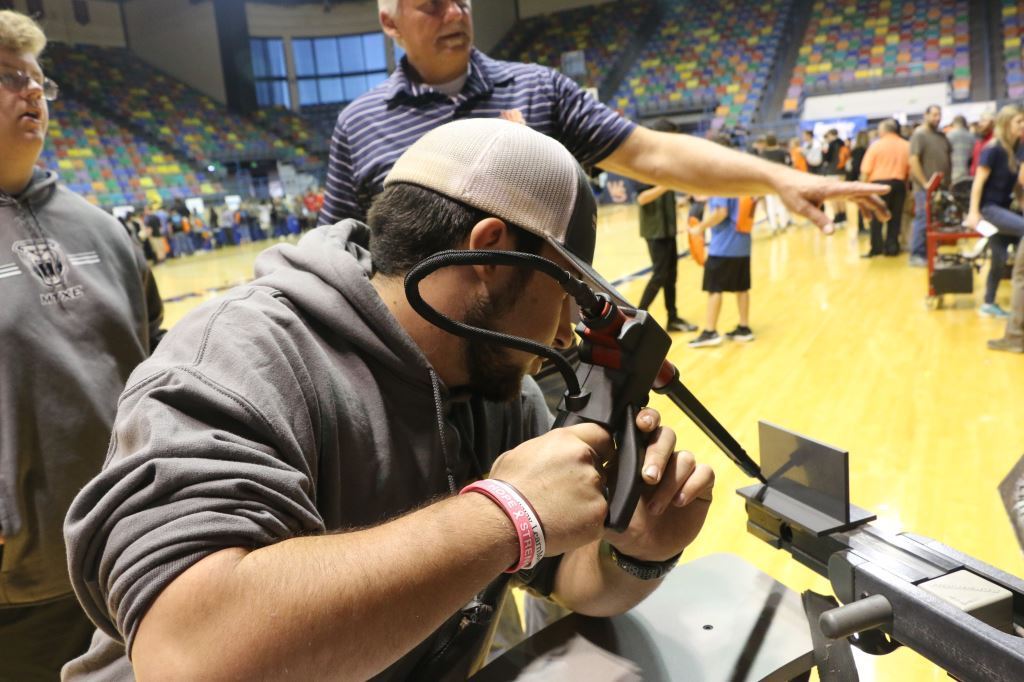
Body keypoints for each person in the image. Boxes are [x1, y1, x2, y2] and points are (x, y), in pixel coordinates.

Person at [62, 119, 716, 681]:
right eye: (565, 291)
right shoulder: (239, 356)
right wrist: (504, 517)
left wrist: (639, 551)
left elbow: (565, 578)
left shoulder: (499, 394)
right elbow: (188, 656)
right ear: (490, 252)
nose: (567, 329)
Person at [319, 0, 890, 236]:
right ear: (390, 24)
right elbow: (338, 248)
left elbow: (651, 153)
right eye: (431, 4)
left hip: (537, 363)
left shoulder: (538, 88)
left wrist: (778, 177)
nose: (455, 13)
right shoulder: (359, 123)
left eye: (461, 0)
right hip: (417, 381)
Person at [0, 10, 164, 679]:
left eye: (39, 80)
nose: (33, 92)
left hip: (129, 551)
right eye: (9, 78)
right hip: (21, 586)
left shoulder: (103, 228)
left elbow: (157, 364)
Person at [688, 138, 755, 348]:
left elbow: (721, 212)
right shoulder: (740, 174)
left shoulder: (719, 177)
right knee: (741, 288)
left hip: (724, 246)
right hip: (742, 243)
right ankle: (744, 328)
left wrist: (700, 228)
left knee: (714, 289)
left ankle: (710, 331)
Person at [635, 119, 696, 333]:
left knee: (671, 277)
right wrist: (668, 184)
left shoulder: (667, 163)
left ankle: (673, 318)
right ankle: (637, 317)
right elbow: (642, 198)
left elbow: (664, 195)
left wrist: (681, 201)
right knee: (660, 275)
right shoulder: (643, 164)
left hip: (668, 228)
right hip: (655, 230)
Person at [964, 104, 1024, 319]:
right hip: (989, 210)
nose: (1023, 125)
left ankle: (988, 303)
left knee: (998, 258)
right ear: (1006, 124)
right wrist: (973, 213)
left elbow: (1017, 185)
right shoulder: (993, 149)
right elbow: (978, 182)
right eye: (1019, 121)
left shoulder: (1016, 149)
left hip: (1004, 209)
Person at [908, 105, 952, 266]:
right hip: (925, 189)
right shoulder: (919, 135)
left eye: (939, 115)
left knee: (936, 221)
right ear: (925, 115)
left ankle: (930, 252)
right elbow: (913, 161)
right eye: (933, 115)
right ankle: (917, 254)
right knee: (922, 219)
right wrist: (925, 183)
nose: (937, 118)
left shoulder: (941, 136)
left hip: (941, 188)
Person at [859, 119, 910, 257]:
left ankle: (876, 248)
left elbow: (866, 169)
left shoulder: (876, 146)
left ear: (884, 130)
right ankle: (892, 247)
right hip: (899, 184)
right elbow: (909, 169)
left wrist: (862, 190)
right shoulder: (906, 145)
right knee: (896, 217)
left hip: (878, 185)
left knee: (877, 217)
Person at [760, 134, 791, 232]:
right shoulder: (783, 152)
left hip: (768, 182)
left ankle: (773, 226)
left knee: (770, 204)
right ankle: (783, 224)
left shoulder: (763, 153)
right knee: (781, 204)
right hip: (782, 180)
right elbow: (789, 165)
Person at [947, 114, 975, 187]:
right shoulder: (971, 137)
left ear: (954, 123)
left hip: (953, 175)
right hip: (968, 175)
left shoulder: (949, 136)